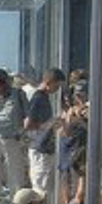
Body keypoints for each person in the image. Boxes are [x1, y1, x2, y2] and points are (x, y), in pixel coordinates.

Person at [0, 68, 29, 199]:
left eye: (1, 83)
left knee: (15, 174)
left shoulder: (19, 94)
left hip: (12, 139)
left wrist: (23, 132)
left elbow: (27, 116)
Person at [24, 68, 66, 196]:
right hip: (40, 148)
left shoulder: (44, 97)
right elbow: (27, 124)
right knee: (40, 189)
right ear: (49, 82)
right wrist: (49, 124)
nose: (58, 89)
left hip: (44, 147)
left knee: (44, 187)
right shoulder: (38, 98)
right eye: (57, 85)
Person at [57, 80, 89, 204]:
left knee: (81, 173)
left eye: (81, 94)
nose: (79, 97)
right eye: (77, 94)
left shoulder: (87, 108)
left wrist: (80, 117)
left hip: (81, 144)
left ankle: (78, 198)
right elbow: (64, 130)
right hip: (68, 144)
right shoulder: (69, 110)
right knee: (65, 173)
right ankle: (67, 203)